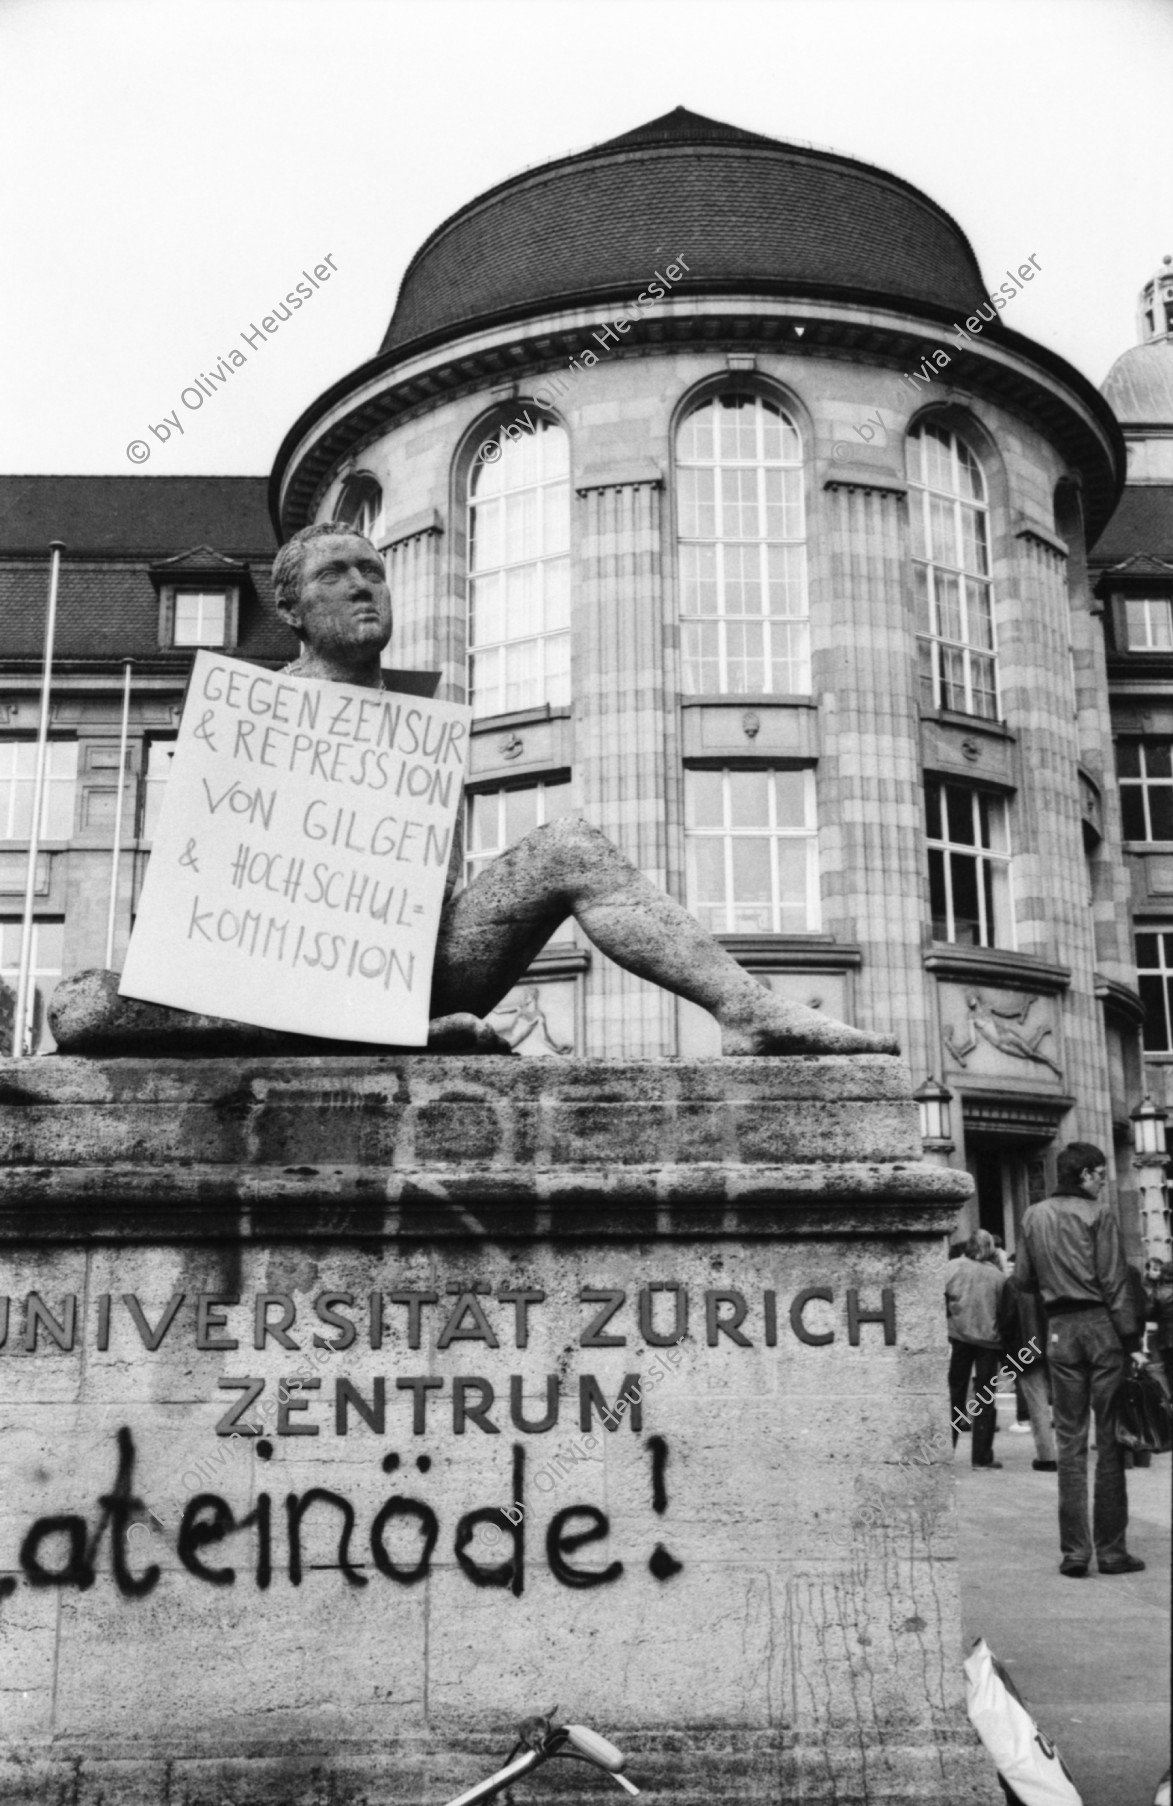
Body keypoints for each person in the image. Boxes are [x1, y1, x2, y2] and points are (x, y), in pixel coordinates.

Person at [271, 523, 899, 1057]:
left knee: (569, 846)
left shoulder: (414, 718)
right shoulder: (258, 714)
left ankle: (747, 1010)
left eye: (372, 570)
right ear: (290, 610)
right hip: (302, 981)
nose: (361, 586)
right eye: (333, 575)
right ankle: (369, 1034)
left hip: (417, 974)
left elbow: (436, 888)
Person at [1014, 1142, 1146, 1577]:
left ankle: (1075, 1551)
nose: (1104, 1182)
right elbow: (1114, 1279)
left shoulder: (1033, 1216)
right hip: (1100, 1326)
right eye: (1101, 1175)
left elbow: (1024, 1280)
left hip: (1059, 1330)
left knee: (1069, 1442)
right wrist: (1130, 1341)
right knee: (1109, 1441)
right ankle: (1111, 1550)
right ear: (1086, 1174)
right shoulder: (1098, 1215)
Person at [945, 1228, 1007, 1469]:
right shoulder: (998, 1277)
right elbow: (1005, 1311)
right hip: (989, 1341)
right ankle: (981, 1456)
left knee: (955, 1393)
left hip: (959, 1336)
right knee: (985, 1397)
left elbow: (940, 1297)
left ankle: (946, 1450)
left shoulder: (952, 1267)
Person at [1001, 1259, 1057, 1470]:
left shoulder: (1013, 1284)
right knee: (1065, 1402)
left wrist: (1008, 1355)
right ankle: (1068, 1454)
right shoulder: (1054, 1279)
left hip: (1026, 1349)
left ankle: (1047, 1457)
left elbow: (1007, 1321)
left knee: (1037, 1405)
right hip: (1056, 1346)